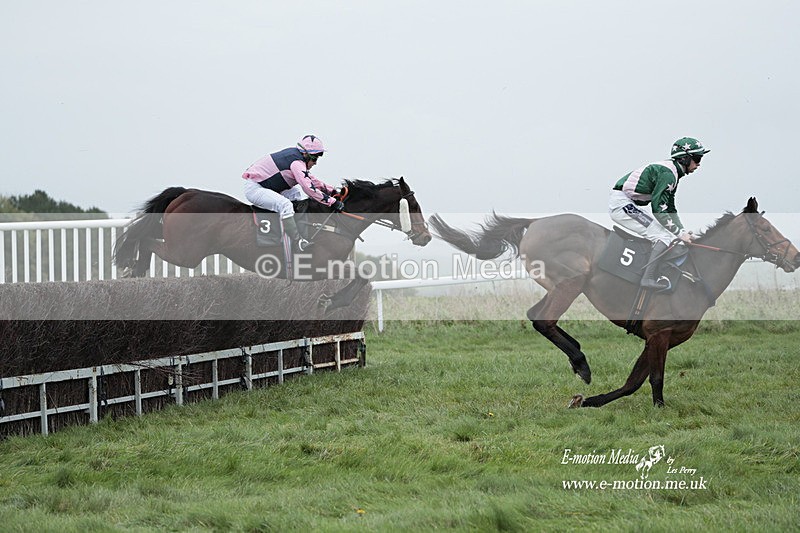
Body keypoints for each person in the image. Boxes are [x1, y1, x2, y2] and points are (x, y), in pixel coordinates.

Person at [608, 137, 710, 289]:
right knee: (662, 236)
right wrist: (679, 234)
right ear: (684, 158)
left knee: (667, 234)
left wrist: (681, 231)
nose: (699, 164)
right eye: (697, 158)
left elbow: (669, 207)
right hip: (622, 204)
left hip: (628, 202)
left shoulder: (674, 173)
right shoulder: (668, 174)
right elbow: (658, 210)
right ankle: (647, 278)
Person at [242, 135, 345, 251]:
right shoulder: (296, 163)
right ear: (306, 154)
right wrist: (332, 202)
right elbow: (309, 188)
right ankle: (297, 241)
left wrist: (334, 191)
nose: (315, 163)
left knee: (296, 195)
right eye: (315, 158)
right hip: (255, 188)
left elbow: (312, 181)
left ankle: (292, 229)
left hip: (268, 186)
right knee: (286, 205)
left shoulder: (297, 158)